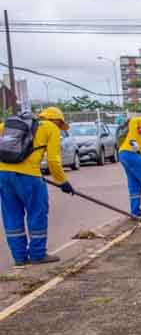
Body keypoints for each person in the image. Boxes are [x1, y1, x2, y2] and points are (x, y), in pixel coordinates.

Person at [0, 107, 75, 267]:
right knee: (37, 212)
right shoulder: (51, 128)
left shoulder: (9, 124)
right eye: (60, 125)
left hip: (3, 174)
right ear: (57, 120)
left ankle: (19, 258)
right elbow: (53, 160)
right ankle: (37, 254)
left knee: (11, 215)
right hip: (30, 176)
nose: (60, 128)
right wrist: (63, 182)